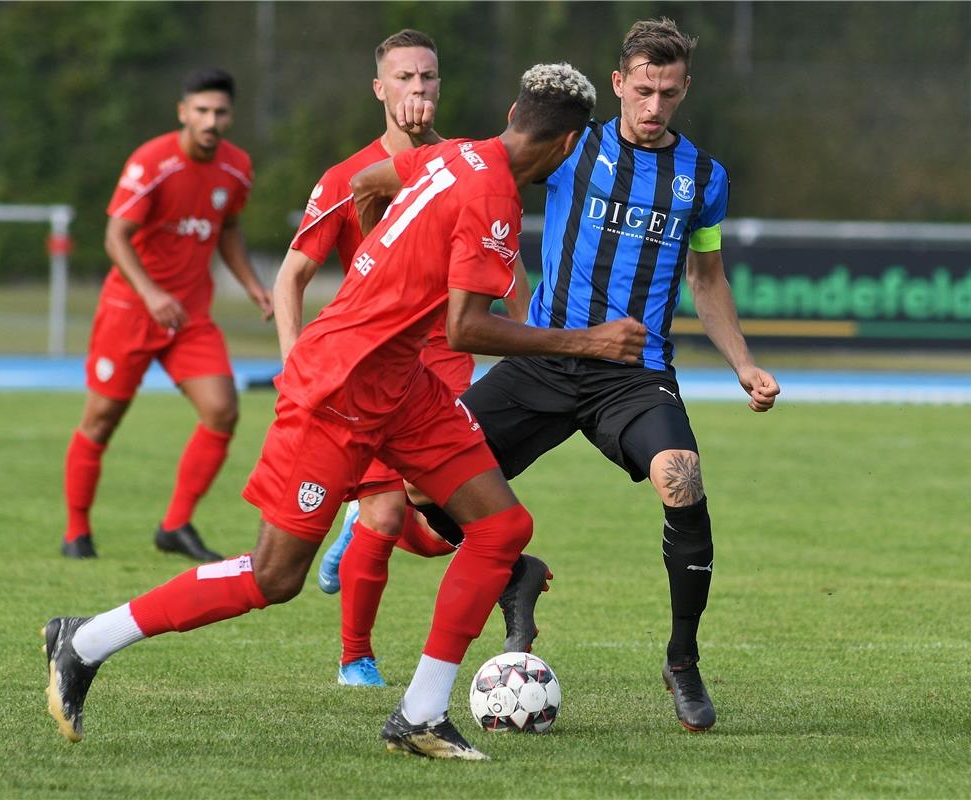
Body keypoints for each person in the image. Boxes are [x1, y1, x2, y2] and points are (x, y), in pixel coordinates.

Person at [42, 63, 646, 760]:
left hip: (399, 385)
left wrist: (376, 277)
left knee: (501, 526)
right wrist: (588, 341)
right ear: (569, 145)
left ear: (514, 111)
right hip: (338, 390)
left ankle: (420, 714)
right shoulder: (494, 196)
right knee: (274, 577)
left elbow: (371, 181)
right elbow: (464, 329)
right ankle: (84, 641)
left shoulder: (456, 154)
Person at [425, 18, 781, 733]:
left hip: (632, 372)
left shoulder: (703, 179)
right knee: (424, 488)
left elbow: (706, 278)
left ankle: (682, 659)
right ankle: (515, 571)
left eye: (668, 94)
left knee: (681, 475)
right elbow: (486, 164)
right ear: (618, 83)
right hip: (547, 359)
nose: (653, 108)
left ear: (685, 91)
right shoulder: (572, 148)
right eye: (642, 90)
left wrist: (743, 363)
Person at [273, 29, 549, 688]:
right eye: (404, 78)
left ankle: (363, 529)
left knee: (429, 507)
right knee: (393, 510)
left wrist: (534, 335)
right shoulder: (347, 177)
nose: (417, 90)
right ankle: (354, 658)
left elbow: (503, 267)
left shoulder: (462, 163)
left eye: (427, 77)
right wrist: (292, 365)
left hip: (443, 357)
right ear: (380, 89)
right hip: (366, 363)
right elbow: (291, 278)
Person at [60, 68, 273, 561]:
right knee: (101, 420)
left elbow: (229, 229)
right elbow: (115, 236)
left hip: (190, 316)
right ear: (183, 112)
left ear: (230, 116)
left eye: (220, 112)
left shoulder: (237, 167)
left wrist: (253, 286)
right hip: (131, 311)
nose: (211, 121)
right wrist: (152, 294)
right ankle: (76, 533)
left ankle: (174, 526)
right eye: (201, 111)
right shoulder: (152, 161)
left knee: (222, 410)